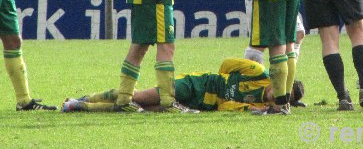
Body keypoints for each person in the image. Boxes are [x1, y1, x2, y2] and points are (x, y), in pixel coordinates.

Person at [61, 58, 304, 113]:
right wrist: (220, 82)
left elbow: (224, 107)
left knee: (143, 109)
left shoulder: (261, 105)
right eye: (282, 85)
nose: (278, 91)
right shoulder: (257, 72)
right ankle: (86, 99)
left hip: (202, 104)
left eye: (284, 95)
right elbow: (227, 64)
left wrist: (247, 109)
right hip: (195, 85)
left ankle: (78, 107)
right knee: (141, 98)